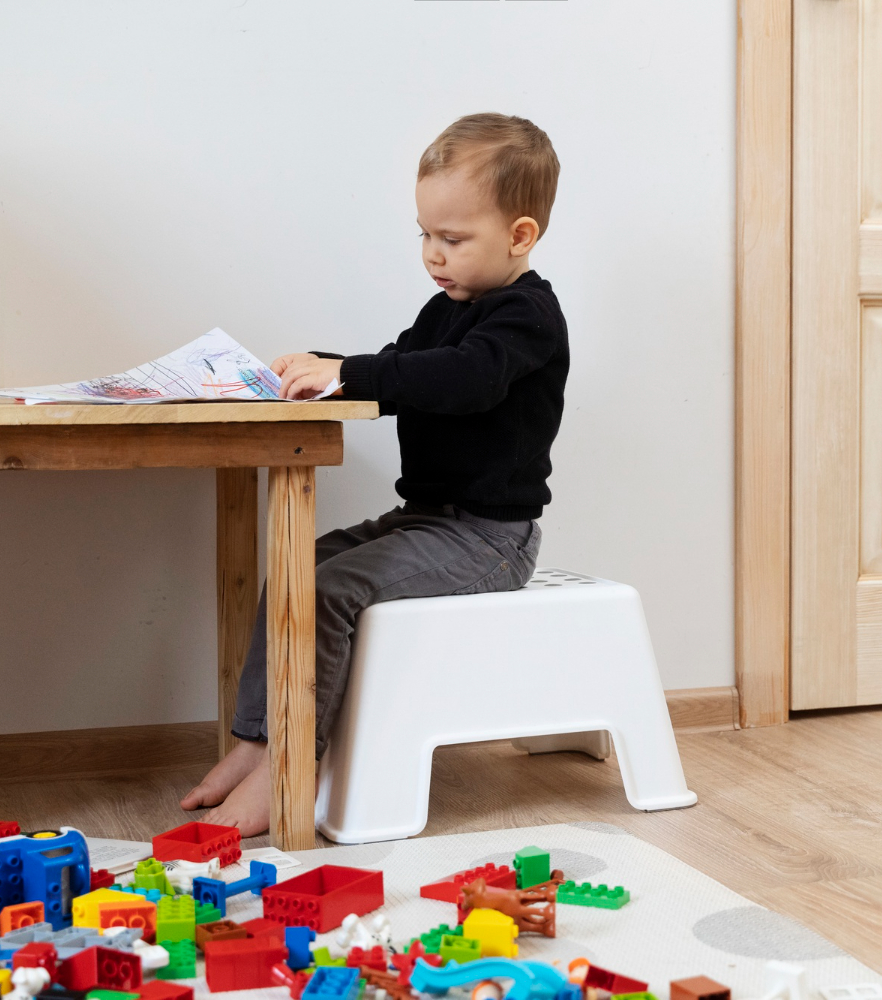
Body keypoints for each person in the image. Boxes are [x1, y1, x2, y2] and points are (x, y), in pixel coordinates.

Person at [182, 113, 568, 835]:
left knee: (329, 591)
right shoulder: (444, 310)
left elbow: (461, 380)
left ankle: (294, 766)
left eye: (453, 239)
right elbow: (400, 371)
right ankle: (259, 742)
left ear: (520, 236)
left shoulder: (527, 318)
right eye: (424, 235)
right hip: (426, 521)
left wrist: (348, 372)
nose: (433, 254)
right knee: (296, 567)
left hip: (488, 538)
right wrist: (319, 369)